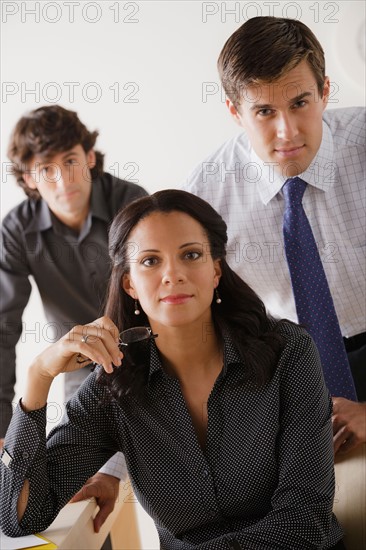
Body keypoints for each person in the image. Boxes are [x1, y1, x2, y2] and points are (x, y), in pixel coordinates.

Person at [1, 190, 345, 549]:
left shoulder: (287, 351)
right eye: (150, 261)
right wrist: (38, 375)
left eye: (191, 255)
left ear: (215, 270)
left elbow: (306, 517)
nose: (173, 274)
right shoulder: (113, 385)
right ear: (129, 283)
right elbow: (21, 516)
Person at [184, 16, 366, 455]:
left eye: (300, 103)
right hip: (288, 375)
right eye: (264, 111)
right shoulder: (206, 193)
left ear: (324, 92)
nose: (287, 132)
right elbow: (184, 330)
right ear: (234, 111)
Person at [0, 105, 147, 528]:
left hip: (147, 363)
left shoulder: (130, 202)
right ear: (28, 177)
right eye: (46, 169)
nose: (63, 180)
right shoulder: (17, 231)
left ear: (90, 158)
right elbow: (3, 328)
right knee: (70, 512)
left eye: (70, 162)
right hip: (81, 378)